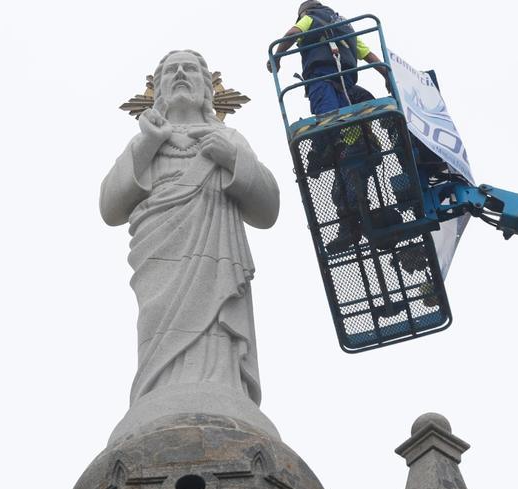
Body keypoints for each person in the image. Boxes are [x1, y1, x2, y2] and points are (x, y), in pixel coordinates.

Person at [100, 50, 279, 414]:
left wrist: (232, 159)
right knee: (160, 333)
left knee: (215, 329)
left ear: (208, 88)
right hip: (159, 263)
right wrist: (149, 143)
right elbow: (109, 207)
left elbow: (268, 209)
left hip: (216, 262)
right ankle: (158, 396)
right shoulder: (145, 141)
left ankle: (222, 392)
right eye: (170, 70)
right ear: (159, 90)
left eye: (192, 69)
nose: (181, 72)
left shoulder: (228, 137)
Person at [269, 2, 396, 252]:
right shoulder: (344, 27)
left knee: (326, 118)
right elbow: (369, 56)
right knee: (346, 184)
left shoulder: (310, 18)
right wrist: (386, 76)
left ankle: (326, 150)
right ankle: (354, 225)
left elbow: (293, 34)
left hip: (324, 81)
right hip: (354, 126)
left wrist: (276, 57)